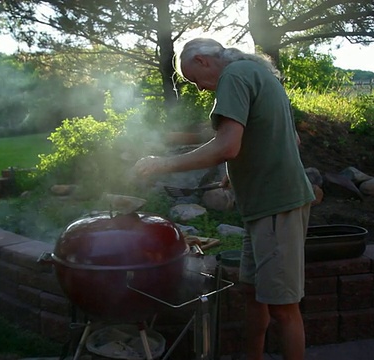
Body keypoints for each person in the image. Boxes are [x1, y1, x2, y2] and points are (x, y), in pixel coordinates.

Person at [132, 38, 315, 360]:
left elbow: (227, 146)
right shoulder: (257, 74)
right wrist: (237, 169)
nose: (200, 89)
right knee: (253, 294)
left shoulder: (233, 76)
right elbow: (287, 137)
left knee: (284, 308)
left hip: (276, 204)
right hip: (264, 208)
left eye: (194, 79)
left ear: (203, 60)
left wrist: (164, 164)